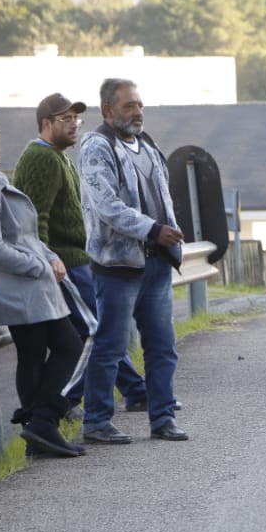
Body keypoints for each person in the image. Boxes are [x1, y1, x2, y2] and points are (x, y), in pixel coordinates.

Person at [12, 92, 150, 420]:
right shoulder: (42, 158)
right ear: (46, 124)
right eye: (66, 119)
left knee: (101, 329)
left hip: (78, 261)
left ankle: (135, 390)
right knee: (97, 331)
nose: (74, 125)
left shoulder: (58, 156)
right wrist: (46, 263)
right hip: (62, 264)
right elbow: (34, 220)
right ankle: (60, 404)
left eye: (76, 118)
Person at [78, 78, 187, 443]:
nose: (138, 112)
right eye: (129, 106)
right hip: (118, 267)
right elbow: (107, 206)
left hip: (157, 263)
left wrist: (167, 235)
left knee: (162, 347)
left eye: (139, 105)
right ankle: (96, 422)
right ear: (108, 111)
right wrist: (153, 230)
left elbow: (163, 197)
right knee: (111, 346)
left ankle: (163, 418)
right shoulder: (97, 147)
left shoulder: (147, 144)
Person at [0, 115, 85, 458]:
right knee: (64, 347)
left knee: (38, 356)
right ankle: (43, 424)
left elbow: (25, 236)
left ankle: (39, 434)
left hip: (28, 284)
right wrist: (39, 266)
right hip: (20, 286)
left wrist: (50, 255)